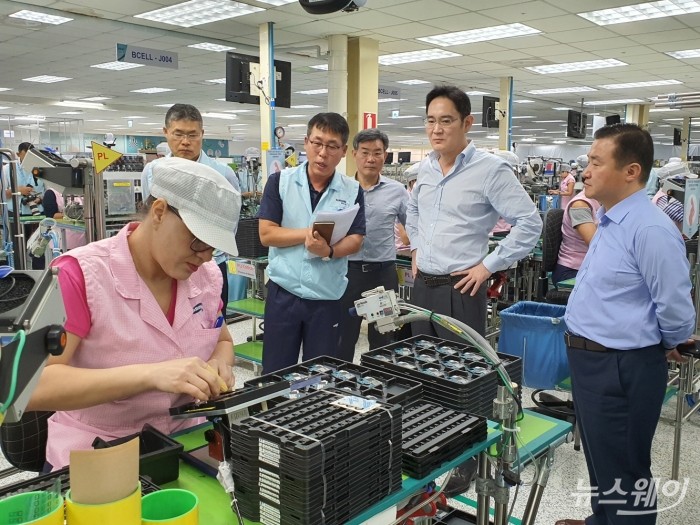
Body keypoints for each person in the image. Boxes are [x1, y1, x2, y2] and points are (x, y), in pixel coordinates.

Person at [27, 157, 241, 470]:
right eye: (197, 242)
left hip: (185, 447)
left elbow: (221, 340)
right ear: (159, 212)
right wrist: (150, 375)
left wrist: (218, 365)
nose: (205, 256)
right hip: (99, 455)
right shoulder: (77, 276)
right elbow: (31, 385)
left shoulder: (205, 276)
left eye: (213, 248)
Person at [562, 124, 695, 525]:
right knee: (604, 460)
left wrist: (670, 340)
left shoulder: (650, 229)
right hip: (592, 362)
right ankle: (600, 520)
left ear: (631, 170)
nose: (586, 171)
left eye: (596, 162)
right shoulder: (609, 218)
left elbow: (676, 306)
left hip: (620, 367)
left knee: (625, 469)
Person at [406, 85, 541, 340]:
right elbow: (413, 208)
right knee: (423, 366)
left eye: (446, 121)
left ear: (467, 123)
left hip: (461, 288)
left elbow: (530, 222)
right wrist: (415, 248)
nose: (436, 130)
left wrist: (488, 266)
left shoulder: (491, 170)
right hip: (422, 286)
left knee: (460, 371)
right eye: (431, 121)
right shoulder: (426, 167)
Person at [258, 112, 365, 373]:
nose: (322, 153)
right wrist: (307, 235)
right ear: (306, 143)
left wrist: (329, 250)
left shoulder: (352, 189)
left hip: (326, 297)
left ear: (343, 152)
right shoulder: (280, 182)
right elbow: (267, 234)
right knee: (276, 371)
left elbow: (357, 238)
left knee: (322, 372)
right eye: (317, 143)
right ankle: (275, 414)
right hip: (284, 292)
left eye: (332, 146)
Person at [141, 103, 242, 311]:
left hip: (209, 264)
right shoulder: (152, 172)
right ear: (165, 132)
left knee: (210, 327)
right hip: (164, 266)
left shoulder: (222, 175)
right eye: (178, 134)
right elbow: (149, 221)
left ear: (202, 134)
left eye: (193, 135)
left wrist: (208, 253)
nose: (185, 142)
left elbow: (230, 226)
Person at [337, 129, 409, 362]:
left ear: (385, 156)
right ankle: (340, 386)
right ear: (354, 154)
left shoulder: (397, 191)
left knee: (383, 338)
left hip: (382, 276)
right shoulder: (340, 189)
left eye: (377, 153)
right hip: (346, 274)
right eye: (365, 152)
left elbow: (415, 228)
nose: (371, 159)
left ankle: (379, 388)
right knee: (342, 337)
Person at [551, 187, 600, 284]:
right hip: (572, 271)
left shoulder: (601, 202)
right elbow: (596, 244)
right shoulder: (580, 205)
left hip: (589, 268)